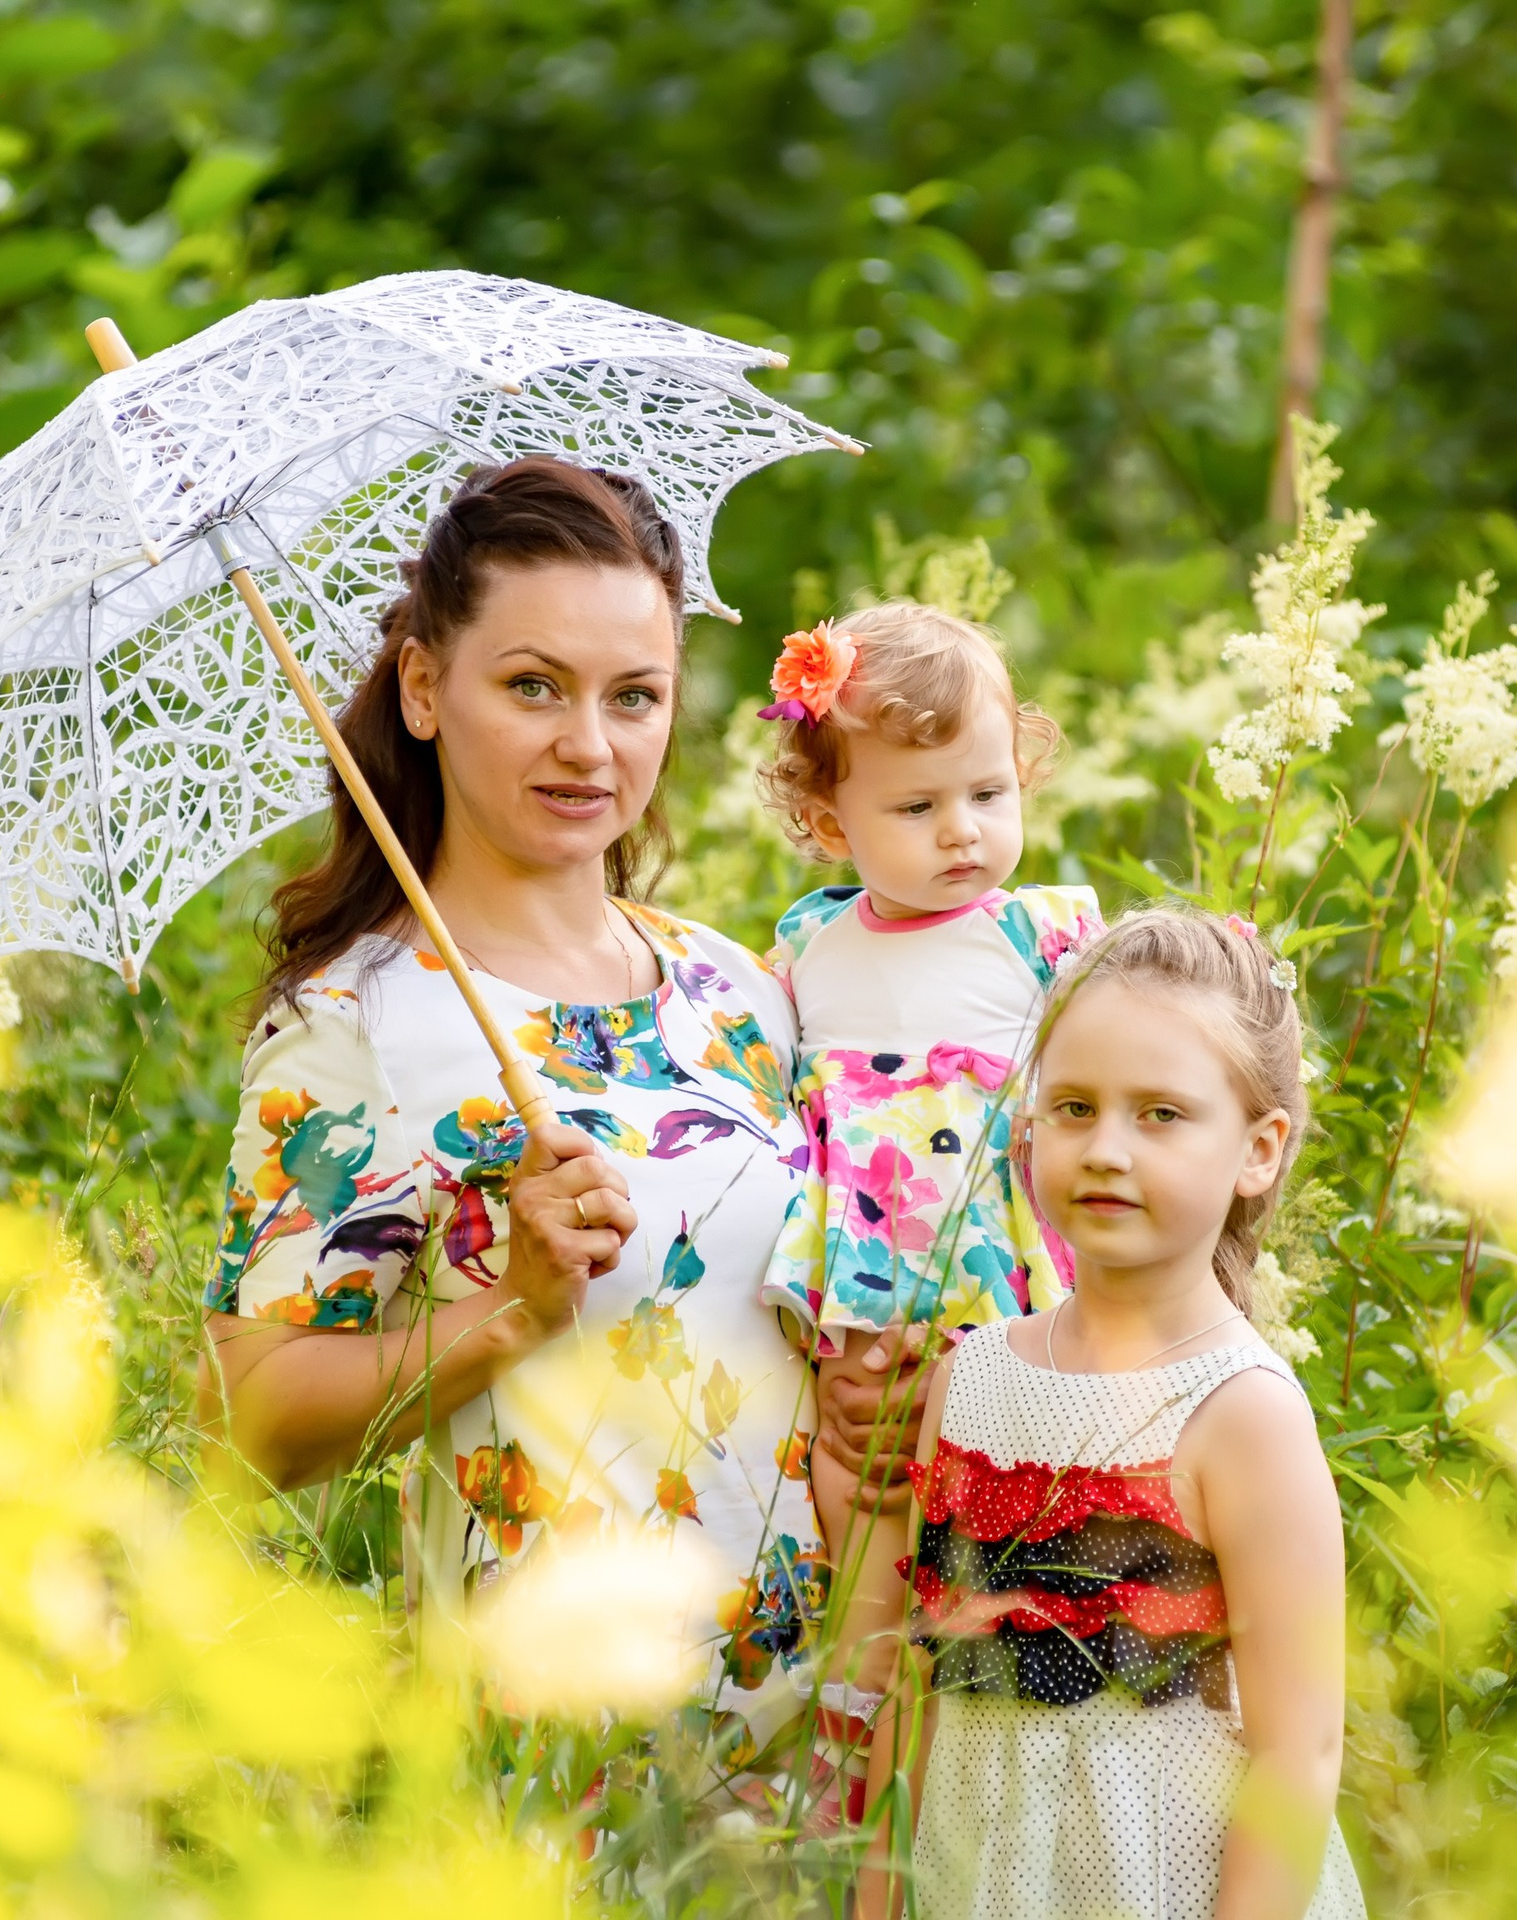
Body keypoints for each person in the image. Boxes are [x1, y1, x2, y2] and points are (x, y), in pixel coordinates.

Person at [198, 457, 921, 1773]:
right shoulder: (352, 1025)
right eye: (533, 687)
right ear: (425, 686)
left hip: (827, 1755)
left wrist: (874, 1379)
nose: (589, 745)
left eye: (633, 696)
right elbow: (249, 1420)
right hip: (560, 1768)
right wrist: (507, 1314)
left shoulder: (740, 990)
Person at [870, 906, 1366, 1920]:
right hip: (982, 1883)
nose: (1105, 1149)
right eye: (1074, 1108)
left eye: (1160, 1115)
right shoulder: (971, 1378)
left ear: (1258, 1150)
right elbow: (913, 1685)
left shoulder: (1241, 1412)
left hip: (1161, 1885)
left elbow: (1297, 1752)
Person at [750, 600, 1103, 1819]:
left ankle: (995, 1788)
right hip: (861, 1301)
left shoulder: (1042, 934)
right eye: (915, 808)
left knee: (998, 1541)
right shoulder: (806, 949)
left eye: (988, 794)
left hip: (999, 1292)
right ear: (823, 815)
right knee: (862, 1533)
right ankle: (863, 1799)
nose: (963, 833)